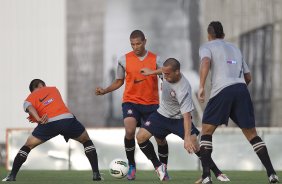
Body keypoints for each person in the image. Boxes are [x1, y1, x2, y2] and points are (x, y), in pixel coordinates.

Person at [198, 21, 279, 184]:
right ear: (223, 35)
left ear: (209, 35)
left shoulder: (207, 47)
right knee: (252, 135)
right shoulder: (235, 48)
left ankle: (206, 176)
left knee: (206, 131)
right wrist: (237, 93)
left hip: (221, 90)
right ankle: (271, 173)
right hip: (241, 89)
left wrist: (201, 86)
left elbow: (205, 62)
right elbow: (248, 77)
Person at [137, 58, 229, 182]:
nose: (165, 75)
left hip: (179, 119)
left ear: (177, 72)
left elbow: (186, 116)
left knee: (195, 146)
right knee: (141, 137)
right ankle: (158, 166)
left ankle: (217, 173)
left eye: (168, 73)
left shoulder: (183, 89)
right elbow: (163, 71)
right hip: (161, 115)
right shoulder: (167, 73)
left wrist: (186, 139)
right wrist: (151, 72)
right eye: (164, 73)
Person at [95, 30, 169, 180]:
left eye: (138, 43)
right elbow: (118, 81)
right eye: (132, 44)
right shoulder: (124, 60)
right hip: (131, 102)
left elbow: (166, 78)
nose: (135, 47)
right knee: (129, 131)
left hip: (151, 105)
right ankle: (132, 166)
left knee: (160, 138)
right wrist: (105, 90)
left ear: (145, 42)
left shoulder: (156, 60)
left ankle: (163, 167)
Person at [2, 79, 101, 182]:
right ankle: (96, 174)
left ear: (32, 90)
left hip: (48, 122)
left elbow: (30, 107)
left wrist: (38, 118)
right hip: (67, 119)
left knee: (27, 146)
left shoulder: (30, 98)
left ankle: (12, 175)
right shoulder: (54, 89)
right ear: (43, 85)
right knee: (86, 140)